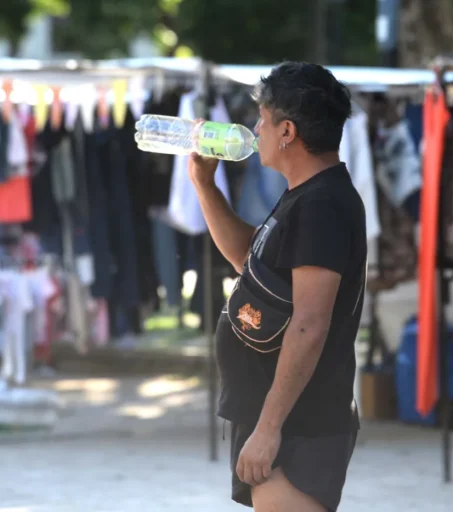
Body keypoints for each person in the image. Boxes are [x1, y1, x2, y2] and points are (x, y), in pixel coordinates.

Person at [189, 62, 367, 512]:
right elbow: (248, 259)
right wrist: (205, 186)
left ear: (287, 130)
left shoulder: (323, 204)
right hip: (281, 418)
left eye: (263, 120)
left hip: (297, 425)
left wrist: (268, 429)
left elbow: (310, 324)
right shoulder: (304, 196)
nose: (255, 130)